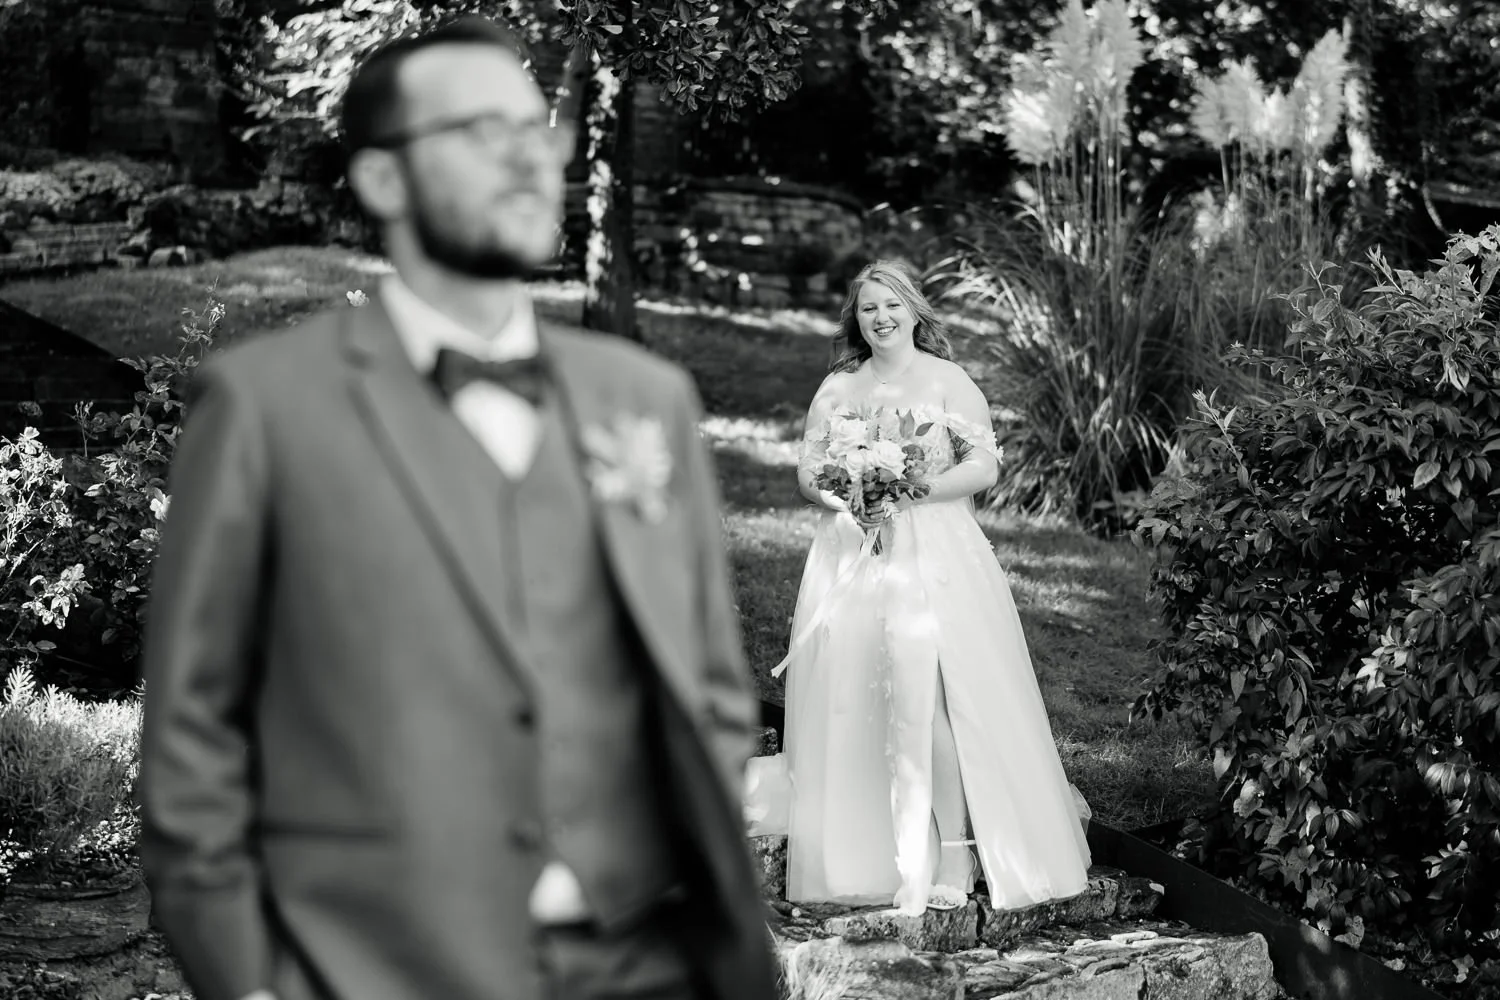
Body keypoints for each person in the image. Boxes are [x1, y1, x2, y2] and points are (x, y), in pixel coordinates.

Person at [136, 16, 776, 1000]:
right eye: (482, 130)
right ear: (383, 179)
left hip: (650, 962)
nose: (529, 157)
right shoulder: (265, 408)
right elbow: (194, 729)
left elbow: (711, 684)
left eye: (537, 127)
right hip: (375, 970)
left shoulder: (647, 397)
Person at [765, 259, 1092, 915]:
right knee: (856, 695)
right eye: (868, 308)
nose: (881, 318)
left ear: (915, 311)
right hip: (855, 551)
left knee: (936, 701)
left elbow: (984, 466)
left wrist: (911, 490)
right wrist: (849, 499)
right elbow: (809, 471)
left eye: (892, 305)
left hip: (935, 555)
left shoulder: (948, 380)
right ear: (855, 320)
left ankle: (955, 849)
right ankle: (867, 851)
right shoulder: (839, 385)